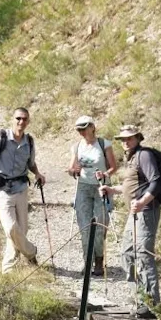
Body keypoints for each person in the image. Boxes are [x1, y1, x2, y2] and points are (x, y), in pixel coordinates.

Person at [98, 125, 161, 319]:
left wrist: (142, 202)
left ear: (138, 138)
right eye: (123, 139)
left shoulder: (144, 156)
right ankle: (140, 299)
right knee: (127, 254)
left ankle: (152, 304)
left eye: (129, 138)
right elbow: (130, 186)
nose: (125, 142)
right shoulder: (131, 158)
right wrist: (111, 190)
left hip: (146, 211)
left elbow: (156, 182)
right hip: (134, 213)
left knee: (143, 255)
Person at [0, 107, 46, 274]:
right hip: (3, 189)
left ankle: (8, 270)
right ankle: (31, 252)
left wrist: (37, 173)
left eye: (24, 119)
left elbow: (30, 163)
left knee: (21, 230)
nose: (21, 122)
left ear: (28, 121)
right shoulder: (1, 137)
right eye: (18, 118)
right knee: (10, 228)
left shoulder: (29, 141)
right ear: (13, 119)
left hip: (21, 188)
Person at [67, 115, 117, 276]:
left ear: (92, 127)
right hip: (83, 187)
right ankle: (87, 261)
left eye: (84, 128)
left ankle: (99, 261)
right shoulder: (76, 146)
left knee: (100, 225)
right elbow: (71, 168)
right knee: (84, 226)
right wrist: (73, 171)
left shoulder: (103, 144)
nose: (81, 132)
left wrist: (105, 174)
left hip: (101, 187)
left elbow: (113, 167)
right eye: (79, 129)